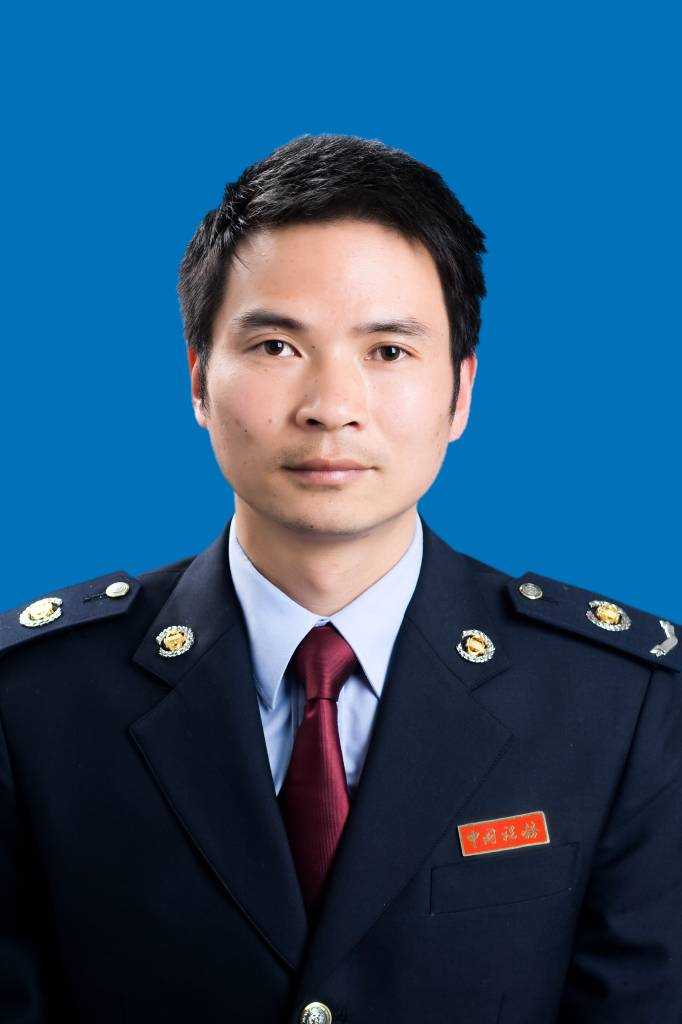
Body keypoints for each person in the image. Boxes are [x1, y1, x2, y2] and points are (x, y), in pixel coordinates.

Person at [1, 133, 680, 1024]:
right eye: (277, 346)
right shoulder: (36, 699)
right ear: (199, 380)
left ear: (461, 392)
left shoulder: (615, 703)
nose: (330, 407)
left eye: (388, 351)